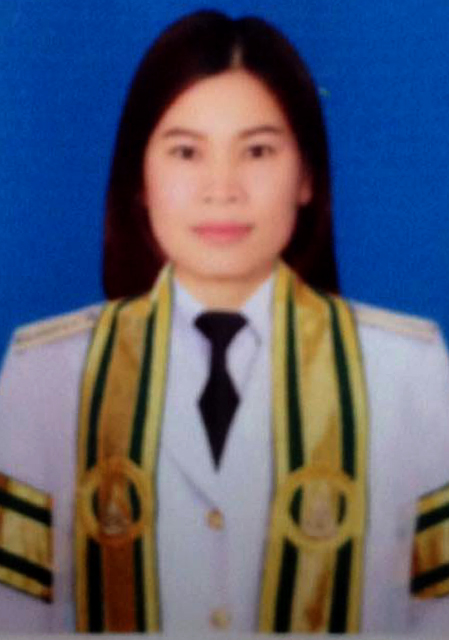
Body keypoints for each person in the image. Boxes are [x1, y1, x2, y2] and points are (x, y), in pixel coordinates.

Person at [0, 9, 449, 634]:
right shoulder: (46, 374)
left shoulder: (409, 374)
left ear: (306, 176)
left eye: (257, 151)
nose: (222, 188)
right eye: (186, 152)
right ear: (140, 178)